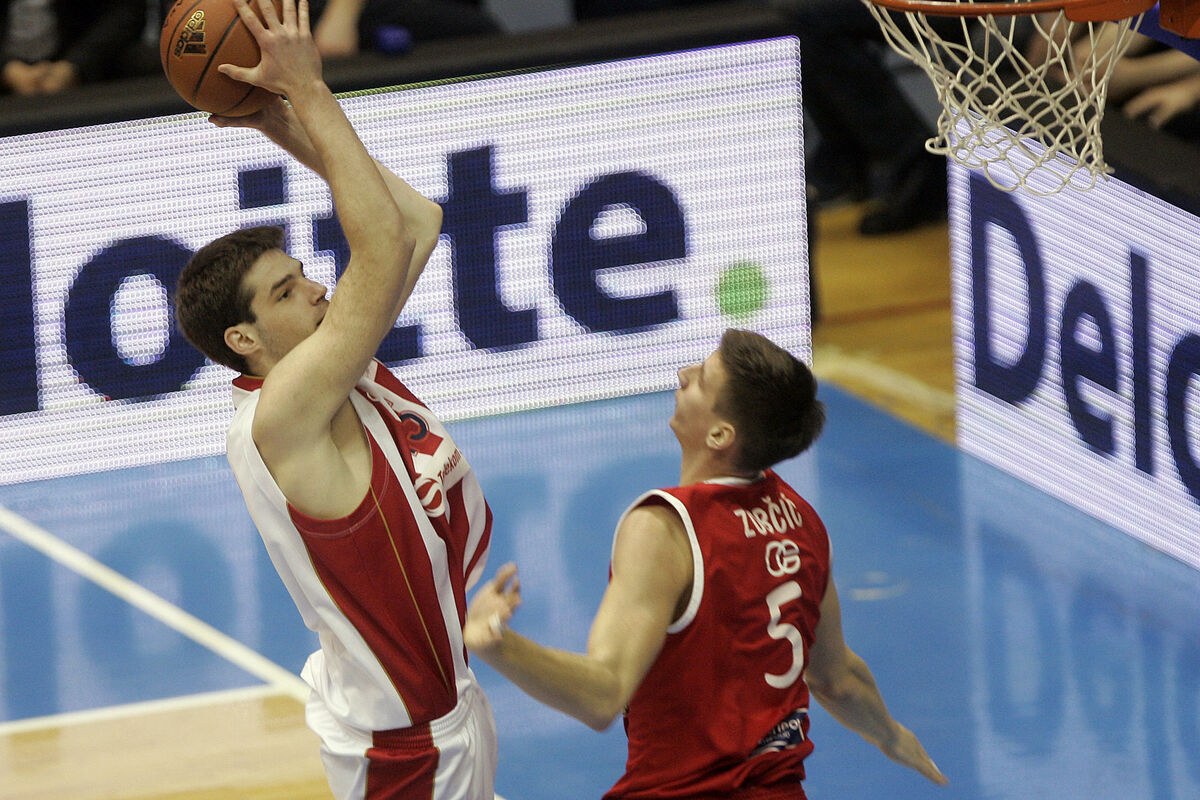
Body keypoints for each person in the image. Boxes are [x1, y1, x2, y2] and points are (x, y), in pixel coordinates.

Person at [172, 0, 496, 797]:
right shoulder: (282, 414)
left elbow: (417, 220)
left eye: (304, 275)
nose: (320, 289)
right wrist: (307, 89)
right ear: (243, 339)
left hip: (442, 712)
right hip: (408, 751)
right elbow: (383, 243)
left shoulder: (336, 369)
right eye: (287, 291)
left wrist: (278, 125)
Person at [464, 329, 947, 798]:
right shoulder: (803, 523)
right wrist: (891, 736)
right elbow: (837, 679)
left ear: (720, 434)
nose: (683, 374)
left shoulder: (664, 529)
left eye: (701, 379)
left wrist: (497, 644)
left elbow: (602, 695)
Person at [0, 0, 146, 94]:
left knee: (144, 62)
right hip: (7, 66)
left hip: (78, 56)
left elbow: (125, 13)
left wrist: (74, 66)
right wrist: (7, 69)